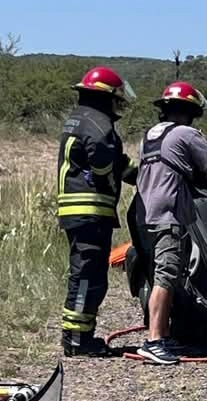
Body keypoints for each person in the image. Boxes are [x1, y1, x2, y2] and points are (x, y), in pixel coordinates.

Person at [133, 81, 207, 364]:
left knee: (158, 273)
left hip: (143, 212)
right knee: (167, 275)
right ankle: (155, 341)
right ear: (192, 111)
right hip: (168, 214)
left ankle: (163, 333)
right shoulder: (188, 134)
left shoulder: (149, 135)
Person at [57, 66, 138, 357]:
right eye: (117, 98)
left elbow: (119, 163)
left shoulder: (80, 119)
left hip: (77, 211)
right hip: (90, 210)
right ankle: (78, 340)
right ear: (107, 97)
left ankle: (78, 336)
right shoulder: (99, 124)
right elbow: (105, 165)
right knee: (88, 275)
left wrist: (142, 175)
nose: (120, 105)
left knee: (87, 273)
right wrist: (110, 180)